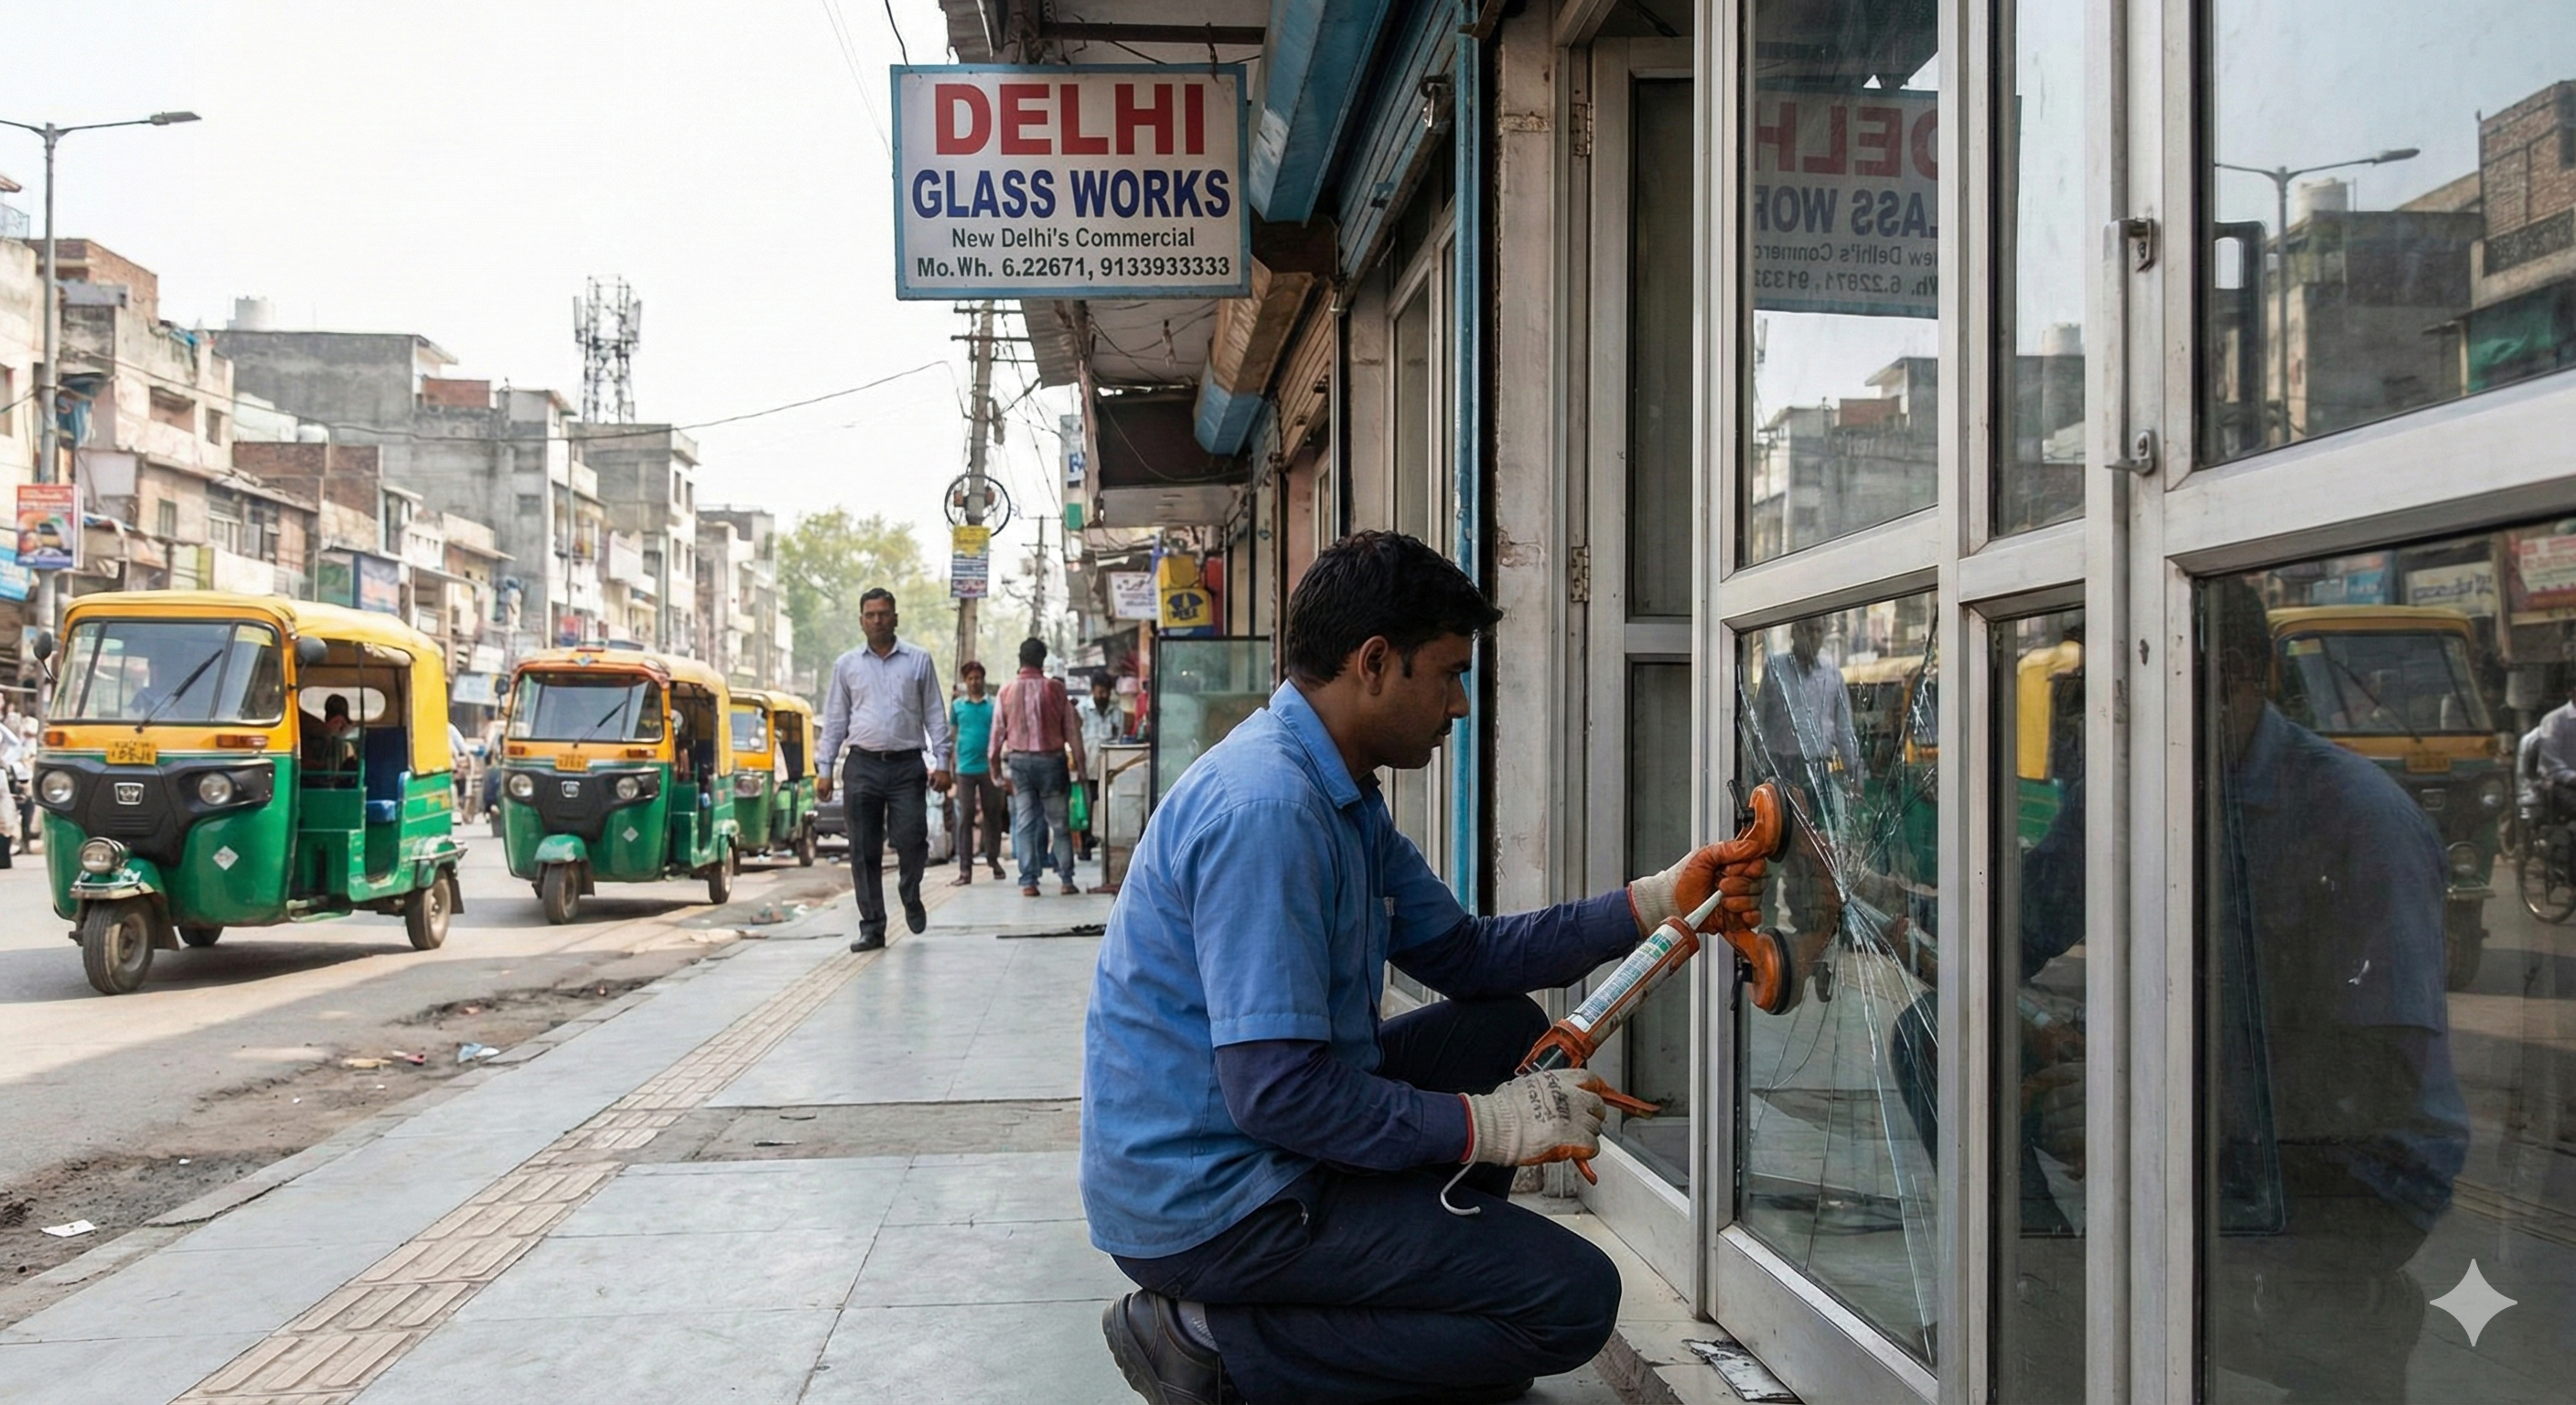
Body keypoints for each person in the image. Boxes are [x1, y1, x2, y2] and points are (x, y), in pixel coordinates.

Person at [1083, 531, 1771, 1405]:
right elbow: (1276, 1092)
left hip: (1257, 1142)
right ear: (1375, 662)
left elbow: (1466, 955)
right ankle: (1208, 1338)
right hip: (1215, 1199)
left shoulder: (1338, 793)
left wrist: (1656, 899)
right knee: (1569, 1303)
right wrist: (1488, 1127)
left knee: (1504, 1027)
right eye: (1448, 674)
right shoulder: (1270, 811)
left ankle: (1428, 1279)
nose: (1458, 706)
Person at [2203, 578, 2467, 1403]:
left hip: (2366, 1163)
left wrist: (2191, 1108)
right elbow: (2040, 910)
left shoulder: (2357, 818)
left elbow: (2378, 1077)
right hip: (2238, 1124)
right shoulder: (2159, 782)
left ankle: (2344, 1325)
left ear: (2244, 674)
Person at [817, 588, 951, 952]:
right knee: (863, 849)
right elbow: (835, 720)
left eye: (884, 614)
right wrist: (825, 768)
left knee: (912, 840)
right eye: (870, 615)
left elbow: (935, 714)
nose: (877, 620)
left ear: (895, 617)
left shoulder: (918, 660)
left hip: (907, 765)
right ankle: (872, 926)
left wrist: (943, 762)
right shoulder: (846, 665)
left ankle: (910, 890)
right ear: (861, 621)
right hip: (861, 766)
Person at [992, 637, 1086, 896]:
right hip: (1052, 762)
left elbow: (997, 734)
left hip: (1020, 763)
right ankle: (1066, 879)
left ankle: (1029, 881)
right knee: (1059, 823)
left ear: (1020, 660)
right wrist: (1081, 764)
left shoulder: (1006, 691)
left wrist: (997, 774)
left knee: (1025, 822)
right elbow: (1071, 731)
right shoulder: (1055, 690)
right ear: (1043, 660)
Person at [948, 660, 1005, 885]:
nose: (974, 682)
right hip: (965, 769)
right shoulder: (957, 706)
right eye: (970, 678)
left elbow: (1000, 732)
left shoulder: (993, 705)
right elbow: (952, 735)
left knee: (992, 815)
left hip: (988, 767)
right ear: (965, 681)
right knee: (966, 816)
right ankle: (965, 869)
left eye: (977, 678)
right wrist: (951, 767)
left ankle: (993, 859)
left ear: (983, 679)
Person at [1074, 671, 1122, 862]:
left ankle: (1106, 844)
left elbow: (1119, 737)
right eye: (1100, 692)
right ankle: (1085, 845)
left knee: (1110, 807)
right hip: (1088, 764)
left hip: (1111, 768)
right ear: (1093, 690)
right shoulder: (1082, 710)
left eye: (1106, 692)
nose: (1103, 696)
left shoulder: (1116, 711)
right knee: (1087, 806)